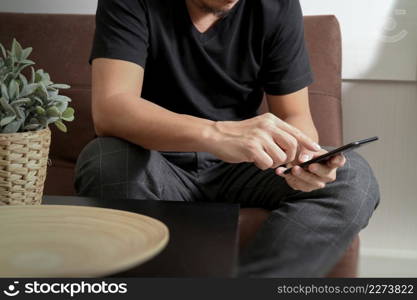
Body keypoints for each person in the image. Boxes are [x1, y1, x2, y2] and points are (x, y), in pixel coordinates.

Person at [75, 0, 380, 277]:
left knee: (353, 177)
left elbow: (295, 117)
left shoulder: (277, 6)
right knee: (105, 159)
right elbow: (112, 109)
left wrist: (302, 162)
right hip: (153, 162)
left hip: (244, 166)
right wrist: (216, 134)